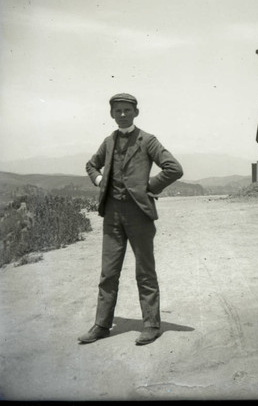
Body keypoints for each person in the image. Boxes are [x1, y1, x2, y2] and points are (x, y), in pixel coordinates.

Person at [78, 93, 183, 345]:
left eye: (127, 110)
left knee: (145, 271)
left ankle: (151, 324)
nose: (122, 114)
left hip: (139, 215)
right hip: (112, 215)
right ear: (111, 114)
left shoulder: (148, 140)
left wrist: (150, 187)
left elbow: (174, 168)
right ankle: (102, 325)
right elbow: (91, 165)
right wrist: (100, 181)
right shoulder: (109, 141)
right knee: (108, 273)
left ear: (136, 112)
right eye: (117, 111)